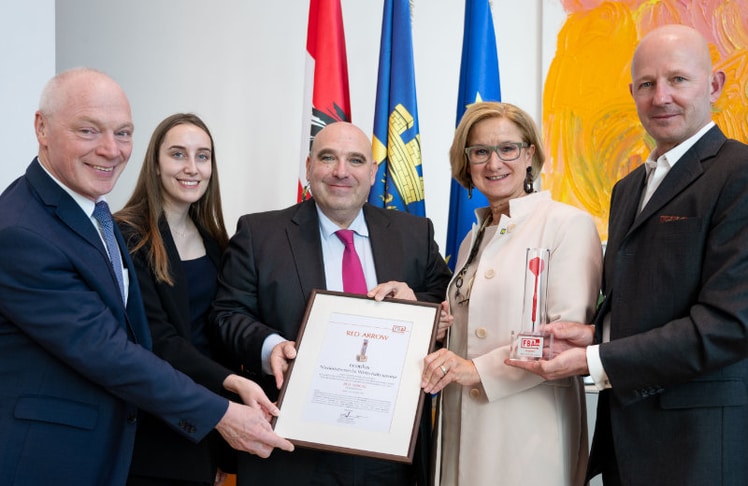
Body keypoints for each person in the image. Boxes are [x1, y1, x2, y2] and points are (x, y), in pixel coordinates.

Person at [0, 68, 293, 486]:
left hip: (115, 447)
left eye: (123, 133)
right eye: (88, 130)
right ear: (41, 128)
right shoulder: (21, 232)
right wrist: (222, 412)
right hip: (50, 459)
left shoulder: (92, 213)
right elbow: (111, 351)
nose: (110, 149)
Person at [507, 24, 748, 486]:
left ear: (714, 85)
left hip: (699, 446)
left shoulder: (737, 175)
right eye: (646, 84)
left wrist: (595, 359)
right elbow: (647, 300)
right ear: (632, 93)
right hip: (626, 441)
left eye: (678, 79)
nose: (661, 97)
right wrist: (593, 333)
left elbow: (727, 326)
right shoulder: (628, 188)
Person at [210, 121, 452, 485]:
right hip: (290, 448)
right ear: (308, 167)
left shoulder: (415, 234)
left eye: (355, 160)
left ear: (372, 173)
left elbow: (447, 300)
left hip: (388, 455)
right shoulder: (259, 234)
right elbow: (226, 314)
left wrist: (418, 304)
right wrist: (271, 346)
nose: (341, 172)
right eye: (328, 158)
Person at [419, 102, 602, 485]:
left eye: (508, 148)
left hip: (528, 432)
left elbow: (565, 337)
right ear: (466, 161)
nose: (494, 163)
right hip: (459, 423)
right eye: (480, 151)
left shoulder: (567, 224)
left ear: (529, 154)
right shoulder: (474, 236)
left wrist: (475, 370)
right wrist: (432, 324)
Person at [116, 113, 278, 486]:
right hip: (154, 428)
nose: (192, 168)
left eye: (202, 156)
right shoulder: (128, 236)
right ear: (155, 166)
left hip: (208, 426)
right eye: (178, 154)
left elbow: (222, 337)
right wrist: (231, 384)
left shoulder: (216, 241)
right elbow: (156, 338)